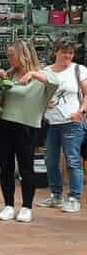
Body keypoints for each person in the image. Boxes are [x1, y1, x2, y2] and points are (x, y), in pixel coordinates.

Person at [0, 40, 55, 223]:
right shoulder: (9, 75)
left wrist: (33, 74)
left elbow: (55, 83)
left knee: (26, 168)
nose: (9, 59)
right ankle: (8, 205)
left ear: (23, 55)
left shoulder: (42, 76)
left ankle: (27, 206)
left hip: (27, 126)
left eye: (12, 55)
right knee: (6, 166)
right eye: (8, 55)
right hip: (5, 124)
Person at [37, 38, 87, 214]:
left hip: (72, 123)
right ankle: (56, 195)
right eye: (64, 51)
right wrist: (44, 103)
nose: (68, 55)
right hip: (51, 123)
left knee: (72, 160)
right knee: (50, 160)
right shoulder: (45, 71)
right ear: (56, 52)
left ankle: (74, 197)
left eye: (71, 52)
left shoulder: (78, 70)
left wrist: (81, 111)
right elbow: (38, 95)